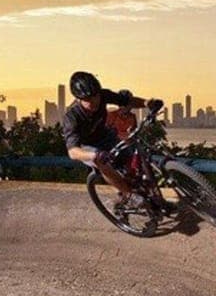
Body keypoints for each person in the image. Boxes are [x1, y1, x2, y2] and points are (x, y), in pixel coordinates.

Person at [62, 71, 161, 209]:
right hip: (86, 147)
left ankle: (156, 198)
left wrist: (147, 103)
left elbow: (127, 100)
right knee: (101, 161)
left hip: (104, 136)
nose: (94, 101)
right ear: (78, 99)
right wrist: (94, 155)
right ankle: (129, 195)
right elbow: (73, 151)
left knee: (132, 157)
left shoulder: (102, 95)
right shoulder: (72, 117)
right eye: (88, 99)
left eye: (96, 96)